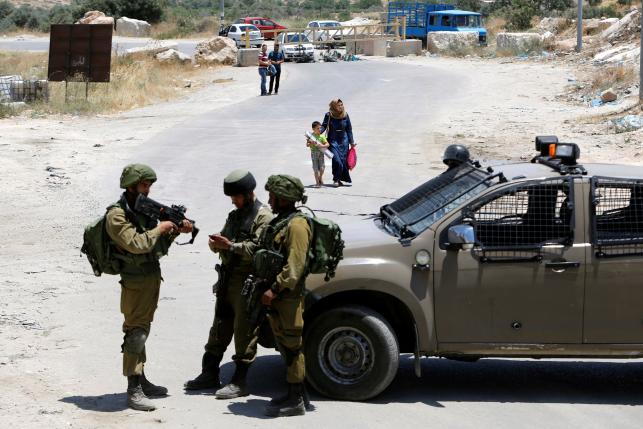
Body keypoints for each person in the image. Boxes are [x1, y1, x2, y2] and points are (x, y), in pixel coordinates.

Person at [105, 164, 193, 411]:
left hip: (150, 277)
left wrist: (174, 230)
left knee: (143, 329)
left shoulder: (141, 210)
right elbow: (136, 243)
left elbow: (156, 248)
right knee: (136, 332)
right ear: (131, 185)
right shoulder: (117, 215)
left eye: (149, 185)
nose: (148, 190)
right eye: (144, 185)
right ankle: (133, 390)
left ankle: (141, 380)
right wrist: (161, 228)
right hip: (134, 281)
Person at [184, 170, 273, 398]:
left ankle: (240, 382)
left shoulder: (263, 217)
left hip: (247, 283)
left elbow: (258, 249)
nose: (233, 201)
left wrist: (230, 246)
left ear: (248, 193)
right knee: (219, 328)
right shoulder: (235, 215)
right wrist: (217, 243)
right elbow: (225, 237)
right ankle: (209, 374)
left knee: (244, 332)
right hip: (228, 278)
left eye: (236, 196)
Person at [259, 175, 313, 417]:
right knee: (285, 344)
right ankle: (295, 392)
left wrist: (274, 290)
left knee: (293, 346)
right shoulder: (283, 221)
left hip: (288, 297)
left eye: (273, 196)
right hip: (282, 297)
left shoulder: (297, 226)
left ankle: (297, 399)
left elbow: (294, 268)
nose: (269, 199)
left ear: (283, 198)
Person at [321, 99, 356, 187]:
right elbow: (324, 126)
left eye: (341, 105)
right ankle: (336, 179)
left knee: (343, 162)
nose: (341, 106)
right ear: (333, 106)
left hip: (344, 142)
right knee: (337, 161)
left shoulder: (345, 115)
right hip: (333, 141)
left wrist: (351, 142)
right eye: (338, 105)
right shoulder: (329, 115)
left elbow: (349, 129)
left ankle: (339, 179)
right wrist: (317, 132)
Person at [306, 121, 330, 187]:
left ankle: (320, 177)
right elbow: (307, 145)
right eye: (318, 128)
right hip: (314, 153)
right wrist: (310, 143)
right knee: (316, 169)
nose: (320, 129)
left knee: (322, 168)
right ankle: (317, 183)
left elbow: (327, 144)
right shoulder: (311, 136)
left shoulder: (322, 136)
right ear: (313, 129)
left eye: (320, 128)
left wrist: (322, 146)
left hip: (321, 153)